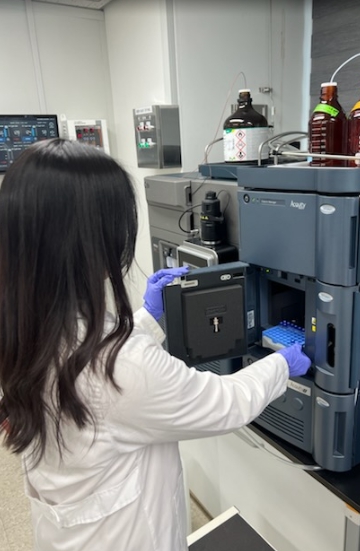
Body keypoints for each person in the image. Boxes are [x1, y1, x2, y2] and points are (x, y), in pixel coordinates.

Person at [0, 138, 310, 551]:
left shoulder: (20, 328)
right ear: (93, 243)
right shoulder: (121, 366)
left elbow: (98, 382)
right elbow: (224, 403)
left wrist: (147, 317)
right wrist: (282, 364)